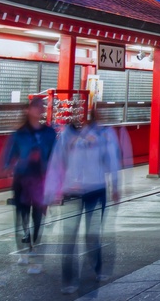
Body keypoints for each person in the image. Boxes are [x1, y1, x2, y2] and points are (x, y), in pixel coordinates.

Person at [44, 110, 122, 294]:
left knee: (92, 234)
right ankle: (68, 279)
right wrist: (51, 191)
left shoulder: (103, 135)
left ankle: (96, 267)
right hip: (72, 191)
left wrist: (116, 185)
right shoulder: (66, 136)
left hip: (96, 189)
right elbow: (56, 163)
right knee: (69, 237)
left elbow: (111, 159)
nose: (82, 121)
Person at [0, 96, 57, 274]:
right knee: (22, 215)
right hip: (22, 178)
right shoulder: (20, 134)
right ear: (29, 110)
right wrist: (6, 167)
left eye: (42, 107)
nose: (39, 110)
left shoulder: (49, 133)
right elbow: (10, 154)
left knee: (38, 216)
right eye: (37, 107)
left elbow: (55, 156)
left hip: (41, 178)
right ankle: (25, 247)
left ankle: (34, 251)